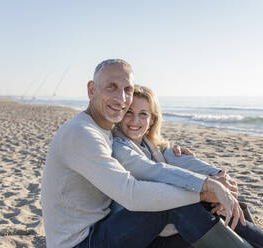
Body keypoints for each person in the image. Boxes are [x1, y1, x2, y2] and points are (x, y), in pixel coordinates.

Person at [41, 59, 251, 248]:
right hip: (82, 242)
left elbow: (145, 146)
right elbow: (132, 194)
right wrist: (204, 190)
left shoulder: (106, 128)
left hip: (107, 229)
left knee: (198, 217)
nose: (121, 98)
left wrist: (170, 149)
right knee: (174, 205)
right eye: (111, 87)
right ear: (91, 90)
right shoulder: (81, 133)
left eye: (127, 89)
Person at [111, 84, 263, 248]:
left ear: (152, 119)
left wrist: (221, 178)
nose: (135, 120)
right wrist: (210, 186)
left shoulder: (150, 145)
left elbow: (179, 160)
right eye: (129, 112)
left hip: (164, 229)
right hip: (137, 233)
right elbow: (154, 171)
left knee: (216, 206)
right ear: (120, 113)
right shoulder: (119, 147)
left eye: (143, 114)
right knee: (189, 204)